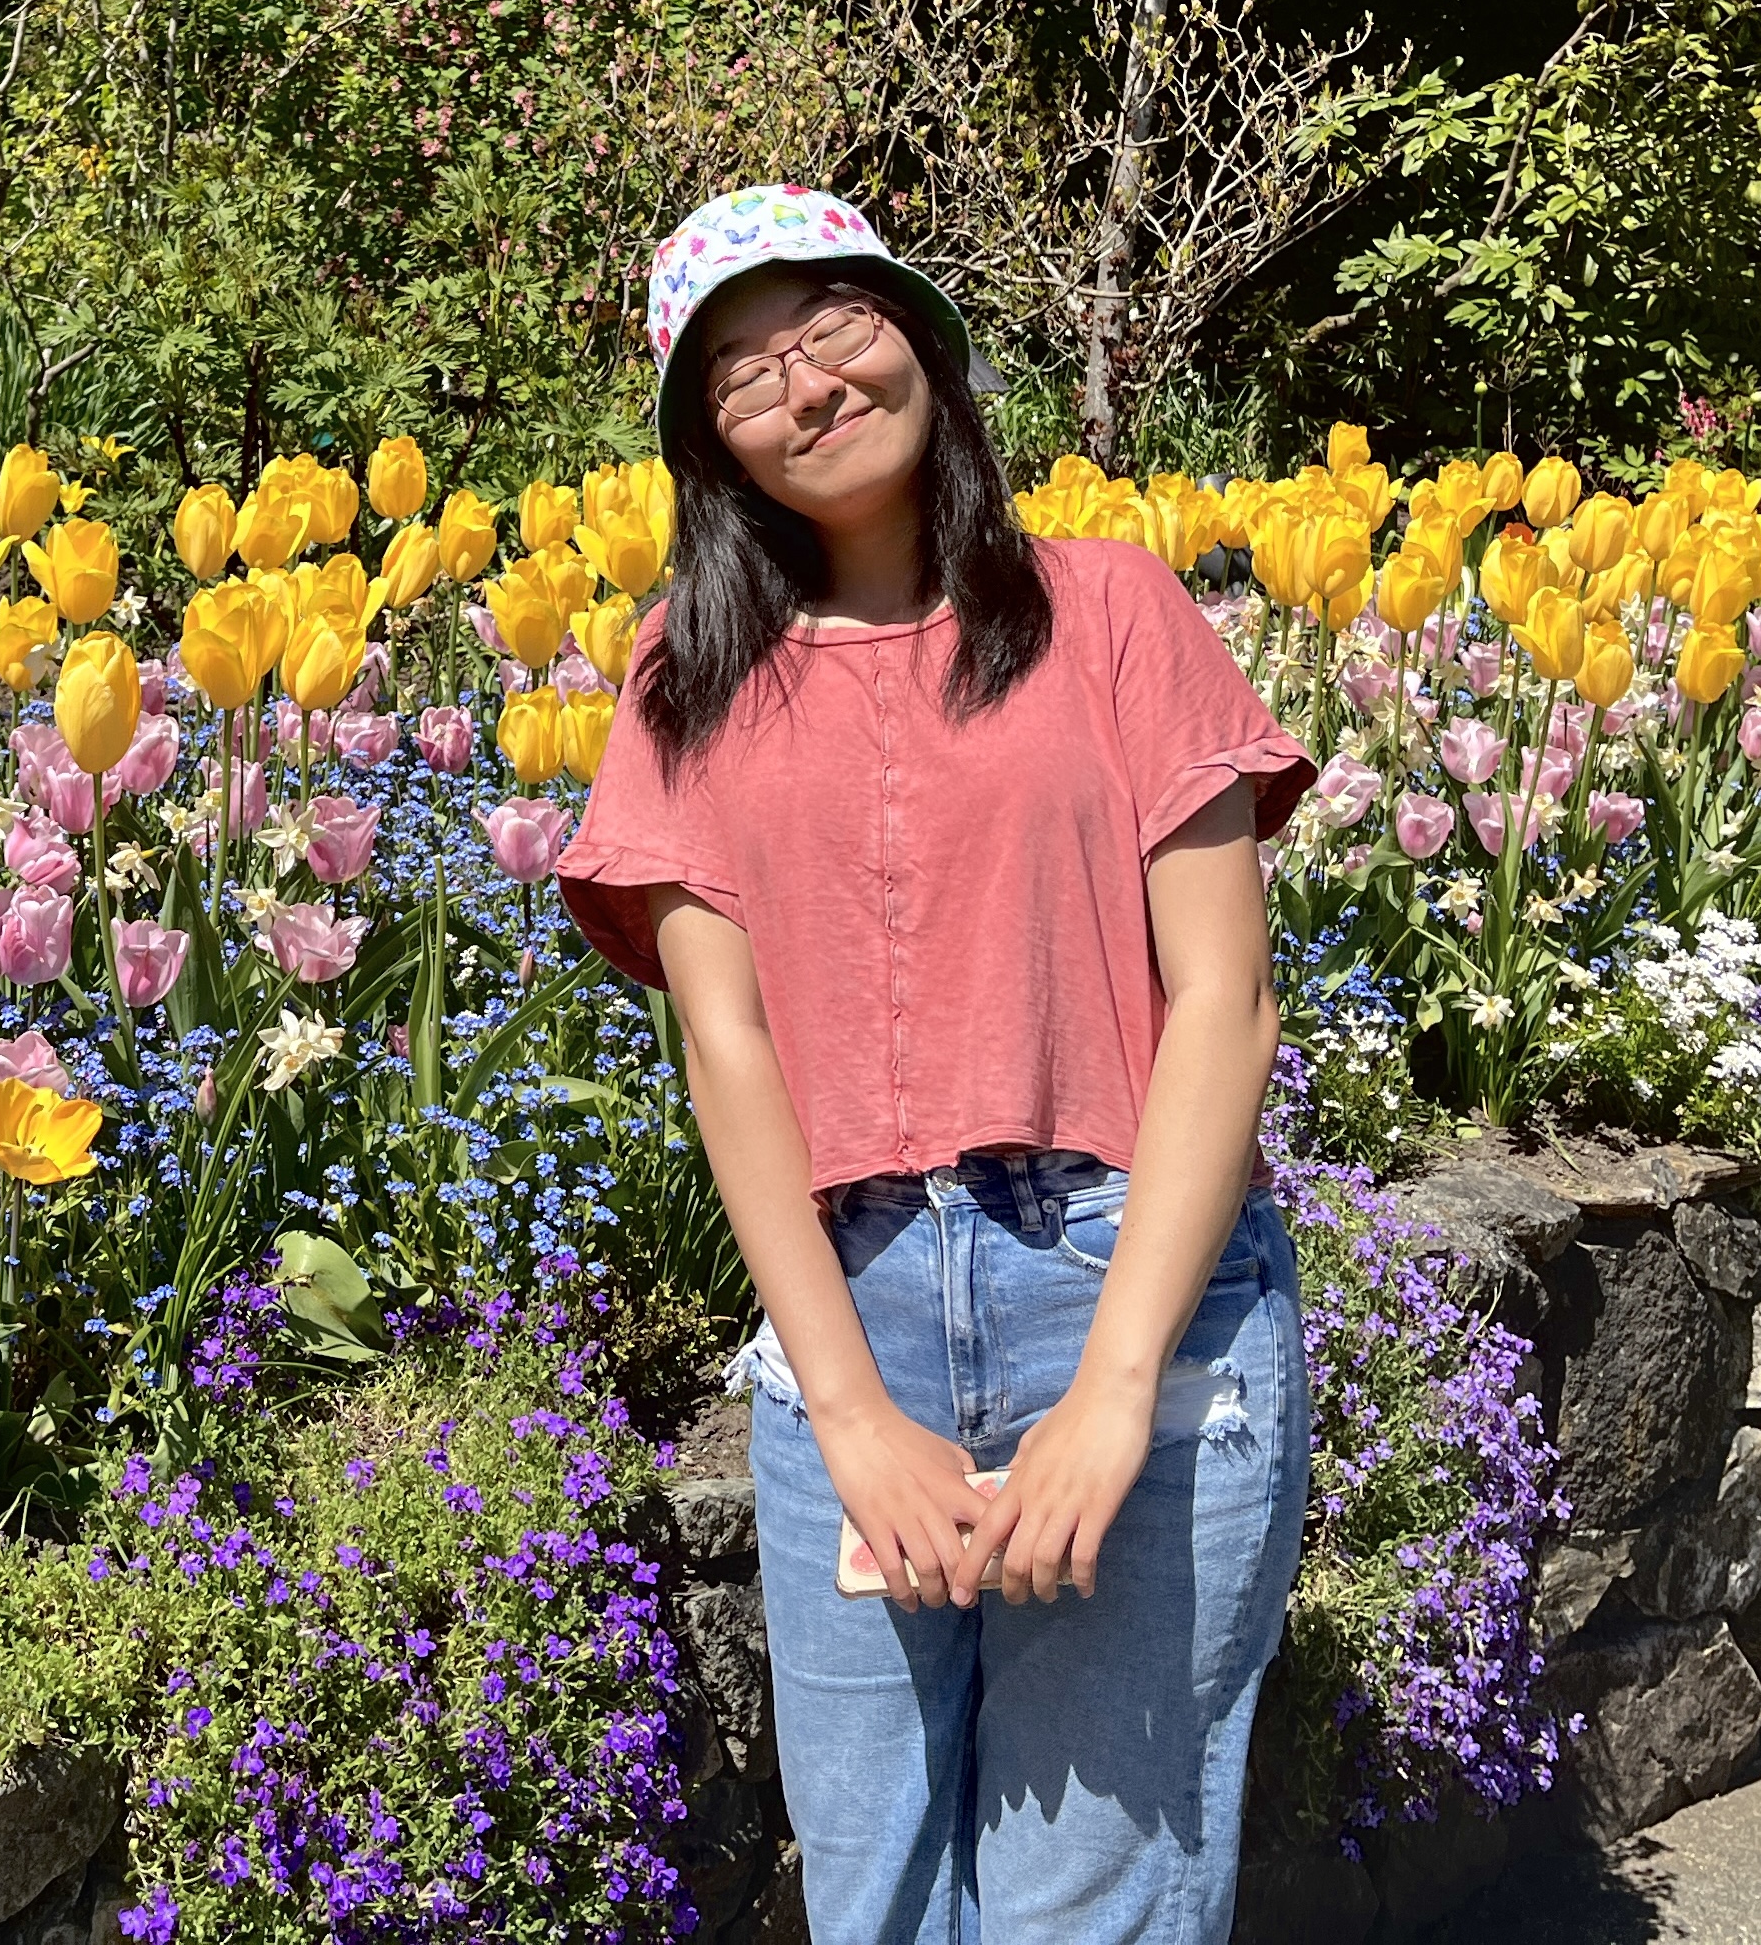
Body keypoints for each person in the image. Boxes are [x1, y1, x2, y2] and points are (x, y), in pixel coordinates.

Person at [554, 186, 1313, 1944]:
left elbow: (1227, 1001)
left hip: (1129, 1290)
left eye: (835, 319)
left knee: (1098, 1905)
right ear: (710, 451)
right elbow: (723, 1041)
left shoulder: (1112, 612)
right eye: (745, 370)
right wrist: (848, 1419)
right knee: (878, 1893)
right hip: (857, 1314)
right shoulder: (689, 672)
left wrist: (1115, 1390)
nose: (809, 380)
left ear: (922, 338)